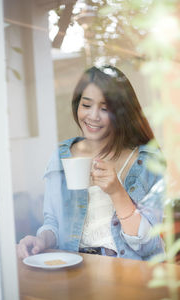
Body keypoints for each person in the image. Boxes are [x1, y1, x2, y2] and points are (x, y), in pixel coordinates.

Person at [17, 65, 165, 261]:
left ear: (122, 114)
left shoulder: (147, 161)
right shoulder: (61, 155)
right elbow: (53, 222)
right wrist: (41, 240)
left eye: (104, 108)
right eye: (86, 105)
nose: (93, 116)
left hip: (129, 272)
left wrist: (117, 192)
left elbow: (149, 246)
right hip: (75, 268)